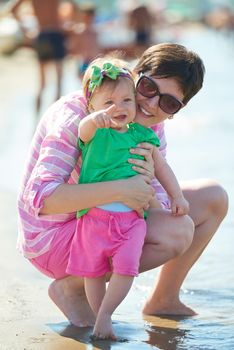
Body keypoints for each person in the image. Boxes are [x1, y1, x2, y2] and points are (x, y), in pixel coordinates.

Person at [17, 43, 228, 329]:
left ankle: (163, 298)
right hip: (52, 236)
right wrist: (120, 189)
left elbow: (156, 205)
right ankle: (73, 287)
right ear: (134, 74)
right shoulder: (78, 113)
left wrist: (148, 186)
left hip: (104, 217)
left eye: (169, 102)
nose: (151, 104)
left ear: (177, 110)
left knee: (213, 198)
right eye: (149, 87)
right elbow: (42, 198)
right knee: (177, 232)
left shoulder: (150, 127)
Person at [74, 59, 189, 339]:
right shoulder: (95, 132)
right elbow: (82, 131)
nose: (120, 107)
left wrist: (177, 196)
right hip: (94, 218)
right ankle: (100, 314)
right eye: (108, 103)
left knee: (127, 268)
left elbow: (162, 168)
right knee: (93, 273)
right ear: (92, 106)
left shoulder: (143, 135)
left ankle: (105, 315)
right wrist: (93, 119)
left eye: (127, 99)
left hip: (131, 221)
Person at [8, 0, 67, 114]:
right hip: (55, 34)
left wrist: (26, 31)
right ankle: (57, 119)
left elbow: (13, 10)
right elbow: (74, 8)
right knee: (59, 82)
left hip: (42, 35)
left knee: (42, 84)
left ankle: (36, 120)